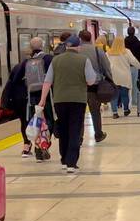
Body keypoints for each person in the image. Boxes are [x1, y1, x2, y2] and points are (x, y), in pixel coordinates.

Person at [36, 34, 99, 173]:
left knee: (63, 129)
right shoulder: (84, 60)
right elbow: (90, 81)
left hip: (60, 100)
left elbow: (47, 81)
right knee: (75, 129)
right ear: (79, 47)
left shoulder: (56, 60)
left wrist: (42, 100)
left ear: (66, 46)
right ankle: (71, 162)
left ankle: (64, 160)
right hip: (78, 100)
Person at [1, 36, 51, 158]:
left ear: (30, 48)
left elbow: (14, 80)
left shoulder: (24, 63)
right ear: (42, 46)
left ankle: (26, 145)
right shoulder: (49, 59)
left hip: (26, 98)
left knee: (26, 121)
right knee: (44, 121)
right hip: (44, 97)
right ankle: (41, 145)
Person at [80, 29, 114, 143]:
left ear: (80, 39)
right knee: (95, 111)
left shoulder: (76, 51)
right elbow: (106, 66)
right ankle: (98, 134)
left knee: (79, 113)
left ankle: (79, 137)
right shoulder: (97, 50)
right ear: (90, 38)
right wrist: (110, 80)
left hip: (79, 87)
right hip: (95, 86)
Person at [107, 35, 140, 117]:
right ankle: (126, 110)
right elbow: (133, 61)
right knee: (124, 94)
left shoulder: (109, 53)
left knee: (114, 95)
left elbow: (105, 64)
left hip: (113, 76)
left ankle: (115, 112)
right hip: (124, 76)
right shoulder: (126, 51)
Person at [124, 25, 140, 93]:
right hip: (135, 65)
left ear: (127, 32)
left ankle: (127, 100)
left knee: (126, 85)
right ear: (134, 32)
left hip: (126, 65)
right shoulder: (138, 42)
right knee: (134, 83)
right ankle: (135, 100)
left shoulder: (124, 42)